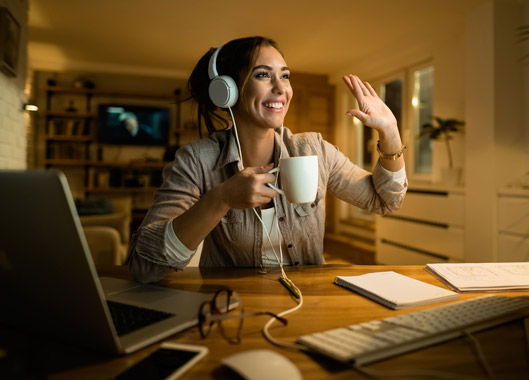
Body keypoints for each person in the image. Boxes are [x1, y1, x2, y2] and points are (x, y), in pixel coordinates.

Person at [127, 36, 407, 283]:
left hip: (309, 303)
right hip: (230, 305)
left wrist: (390, 130)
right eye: (263, 75)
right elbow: (144, 267)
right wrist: (220, 199)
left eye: (285, 76)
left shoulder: (315, 149)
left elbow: (386, 201)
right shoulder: (196, 160)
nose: (280, 88)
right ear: (228, 91)